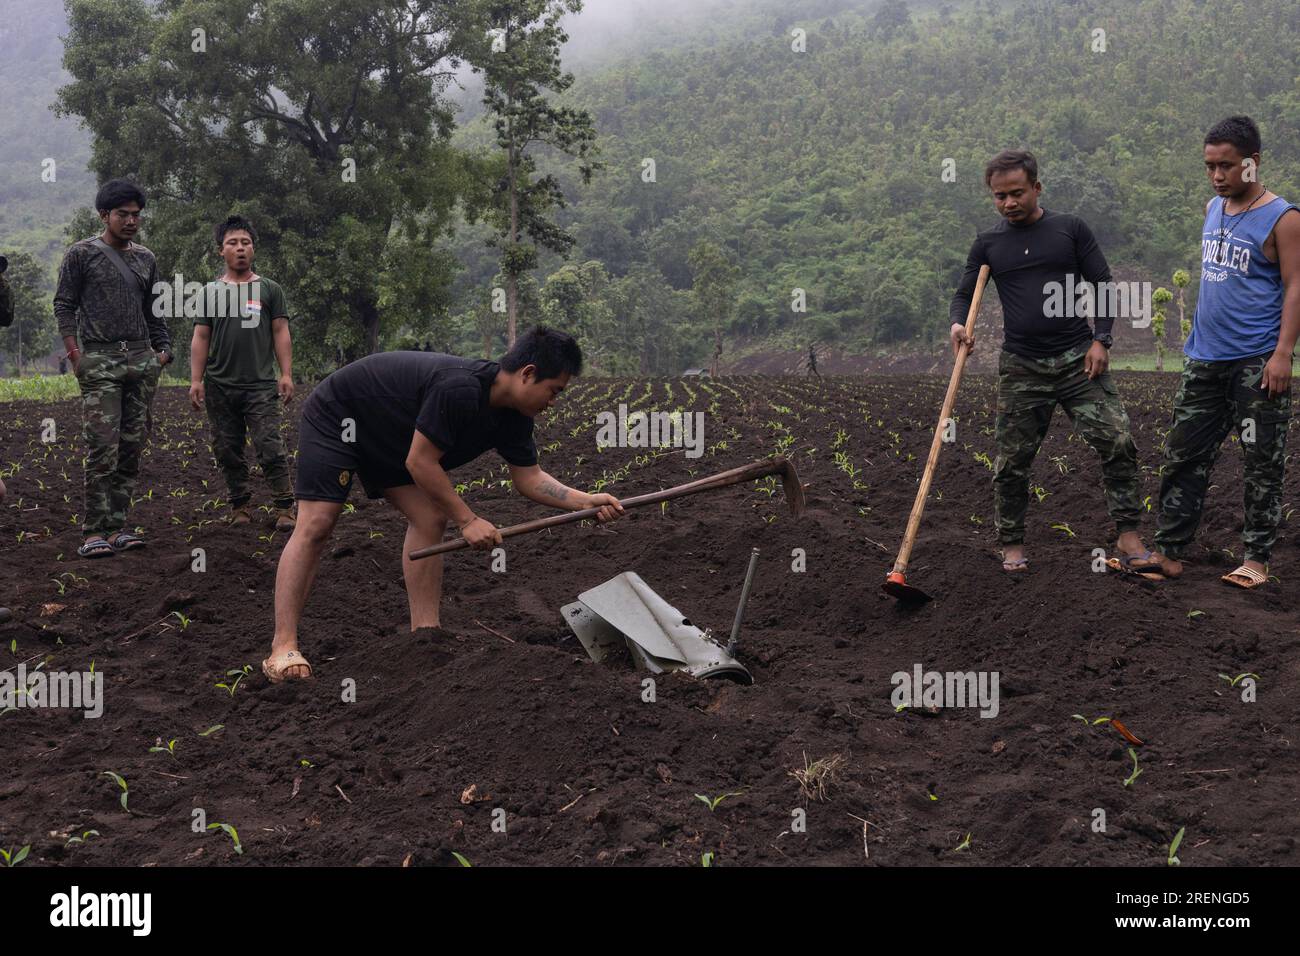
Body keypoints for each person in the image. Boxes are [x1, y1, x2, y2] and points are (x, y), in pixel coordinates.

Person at [262, 326, 624, 681]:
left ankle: (424, 633)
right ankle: (283, 646)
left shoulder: (515, 418)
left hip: (393, 434)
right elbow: (420, 462)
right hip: (339, 413)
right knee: (318, 523)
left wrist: (584, 501)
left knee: (430, 517)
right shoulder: (461, 388)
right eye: (553, 391)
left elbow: (530, 478)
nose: (553, 401)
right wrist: (468, 520)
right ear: (528, 374)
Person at [949, 149, 1160, 575]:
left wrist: (1101, 339)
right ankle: (1012, 544)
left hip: (1077, 360)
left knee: (1117, 441)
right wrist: (958, 326)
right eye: (999, 196)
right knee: (1012, 461)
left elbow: (1102, 284)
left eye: (1017, 193)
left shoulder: (1069, 229)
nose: (1009, 203)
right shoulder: (989, 243)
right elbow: (963, 295)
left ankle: (1129, 535)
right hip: (1021, 365)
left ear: (1037, 188)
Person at [1152, 117, 1300, 588]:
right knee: (1183, 454)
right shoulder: (1213, 208)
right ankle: (1170, 551)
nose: (1218, 175)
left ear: (1253, 163)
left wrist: (1283, 355)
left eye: (1228, 166)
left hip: (1257, 359)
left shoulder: (1284, 218)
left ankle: (1256, 560)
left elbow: (1296, 287)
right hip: (1205, 357)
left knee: (1261, 463)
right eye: (1210, 166)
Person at [54, 179, 174, 559]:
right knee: (101, 447)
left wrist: (163, 353)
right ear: (104, 215)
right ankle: (93, 531)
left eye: (136, 214)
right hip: (99, 360)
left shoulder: (146, 258)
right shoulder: (81, 254)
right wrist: (76, 356)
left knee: (131, 448)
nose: (131, 221)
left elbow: (155, 310)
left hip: (141, 360)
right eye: (123, 214)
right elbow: (64, 305)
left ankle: (118, 526)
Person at [189, 215, 297, 531]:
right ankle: (240, 506)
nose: (240, 249)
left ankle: (285, 507)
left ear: (253, 249)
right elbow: (201, 337)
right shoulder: (209, 292)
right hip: (220, 386)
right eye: (232, 243)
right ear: (221, 251)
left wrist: (286, 373)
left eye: (245, 243)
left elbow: (281, 331)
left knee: (269, 445)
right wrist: (196, 380)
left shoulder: (270, 289)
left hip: (261, 385)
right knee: (227, 448)